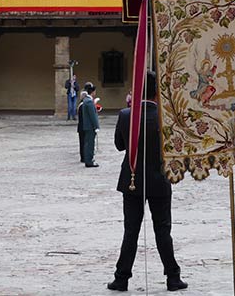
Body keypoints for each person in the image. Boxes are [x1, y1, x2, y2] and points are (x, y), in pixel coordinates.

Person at [107, 71, 187, 292]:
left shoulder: (126, 115)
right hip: (160, 181)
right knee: (163, 231)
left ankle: (121, 278)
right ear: (157, 92)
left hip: (132, 180)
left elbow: (120, 146)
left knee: (130, 231)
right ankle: (173, 277)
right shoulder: (167, 117)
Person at [80, 83, 100, 167]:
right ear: (93, 92)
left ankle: (89, 159)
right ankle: (89, 161)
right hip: (90, 126)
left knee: (88, 143)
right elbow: (93, 116)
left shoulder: (87, 100)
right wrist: (96, 126)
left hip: (88, 126)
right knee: (90, 144)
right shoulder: (88, 101)